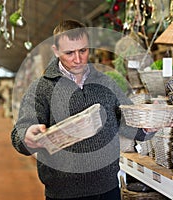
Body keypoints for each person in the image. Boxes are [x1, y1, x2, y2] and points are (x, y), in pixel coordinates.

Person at [11, 19, 156, 200]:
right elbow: (20, 132)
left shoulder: (106, 83)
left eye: (83, 50)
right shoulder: (41, 88)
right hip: (63, 193)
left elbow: (128, 123)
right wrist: (27, 136)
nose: (78, 59)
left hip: (108, 189)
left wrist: (146, 128)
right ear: (56, 51)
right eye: (69, 53)